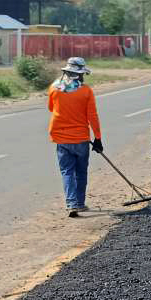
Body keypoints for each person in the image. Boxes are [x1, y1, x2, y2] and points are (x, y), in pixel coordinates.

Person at [46, 56, 102, 218]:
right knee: (81, 172)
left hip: (61, 137)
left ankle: (71, 204)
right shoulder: (86, 91)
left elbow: (51, 108)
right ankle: (80, 203)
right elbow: (92, 116)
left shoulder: (54, 88)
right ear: (79, 74)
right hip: (80, 138)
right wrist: (98, 138)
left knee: (67, 171)